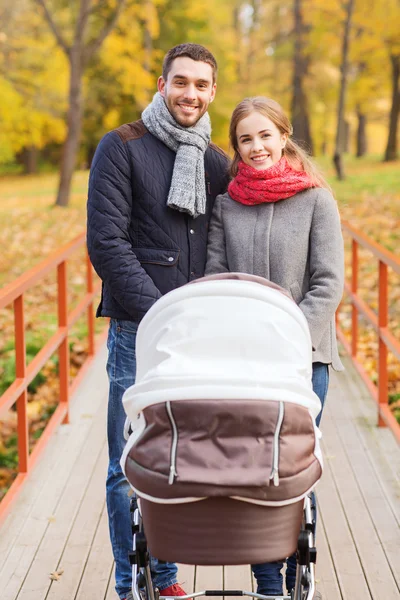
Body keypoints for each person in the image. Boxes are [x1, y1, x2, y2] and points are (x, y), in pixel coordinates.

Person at [87, 43, 230, 600]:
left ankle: (165, 578)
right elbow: (107, 243)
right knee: (129, 463)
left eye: (201, 84)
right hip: (137, 332)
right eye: (181, 82)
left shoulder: (217, 162)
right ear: (162, 83)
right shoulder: (121, 147)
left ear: (212, 91)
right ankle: (131, 585)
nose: (190, 93)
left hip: (200, 336)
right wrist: (161, 314)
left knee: (182, 460)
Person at [205, 96, 344, 599]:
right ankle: (267, 585)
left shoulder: (315, 200)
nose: (257, 146)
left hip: (304, 359)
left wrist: (286, 340)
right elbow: (216, 275)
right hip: (244, 360)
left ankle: (296, 576)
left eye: (265, 135)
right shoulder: (227, 204)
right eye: (246, 139)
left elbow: (327, 285)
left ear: (284, 136)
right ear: (236, 149)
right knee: (252, 471)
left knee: (294, 471)